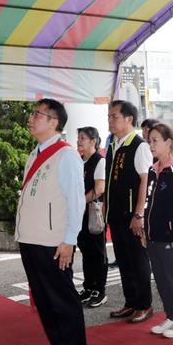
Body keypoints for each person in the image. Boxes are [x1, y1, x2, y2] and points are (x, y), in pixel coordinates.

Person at [14, 99, 87, 345]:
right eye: (32, 113)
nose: (31, 118)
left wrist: (69, 240)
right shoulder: (36, 152)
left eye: (38, 114)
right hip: (31, 238)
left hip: (54, 242)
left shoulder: (66, 155)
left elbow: (76, 201)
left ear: (54, 122)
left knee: (62, 297)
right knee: (44, 298)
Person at [105, 100, 154, 322]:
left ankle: (144, 304)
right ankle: (131, 302)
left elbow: (144, 181)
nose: (110, 120)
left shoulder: (139, 145)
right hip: (115, 215)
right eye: (109, 116)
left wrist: (139, 214)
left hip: (131, 216)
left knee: (138, 261)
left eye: (114, 116)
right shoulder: (114, 145)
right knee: (124, 261)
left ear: (129, 119)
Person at [143, 124, 173, 339]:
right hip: (153, 234)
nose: (150, 144)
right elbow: (148, 202)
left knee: (172, 278)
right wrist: (145, 228)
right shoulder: (154, 170)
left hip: (170, 236)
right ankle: (171, 316)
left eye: (155, 140)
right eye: (149, 140)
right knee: (161, 278)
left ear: (168, 143)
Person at [76, 127, 108, 308]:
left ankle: (100, 290)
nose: (79, 141)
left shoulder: (99, 161)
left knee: (97, 252)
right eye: (78, 137)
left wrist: (80, 202)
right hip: (80, 213)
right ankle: (88, 287)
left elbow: (100, 188)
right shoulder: (80, 161)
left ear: (93, 141)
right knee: (86, 251)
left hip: (93, 213)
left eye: (83, 138)